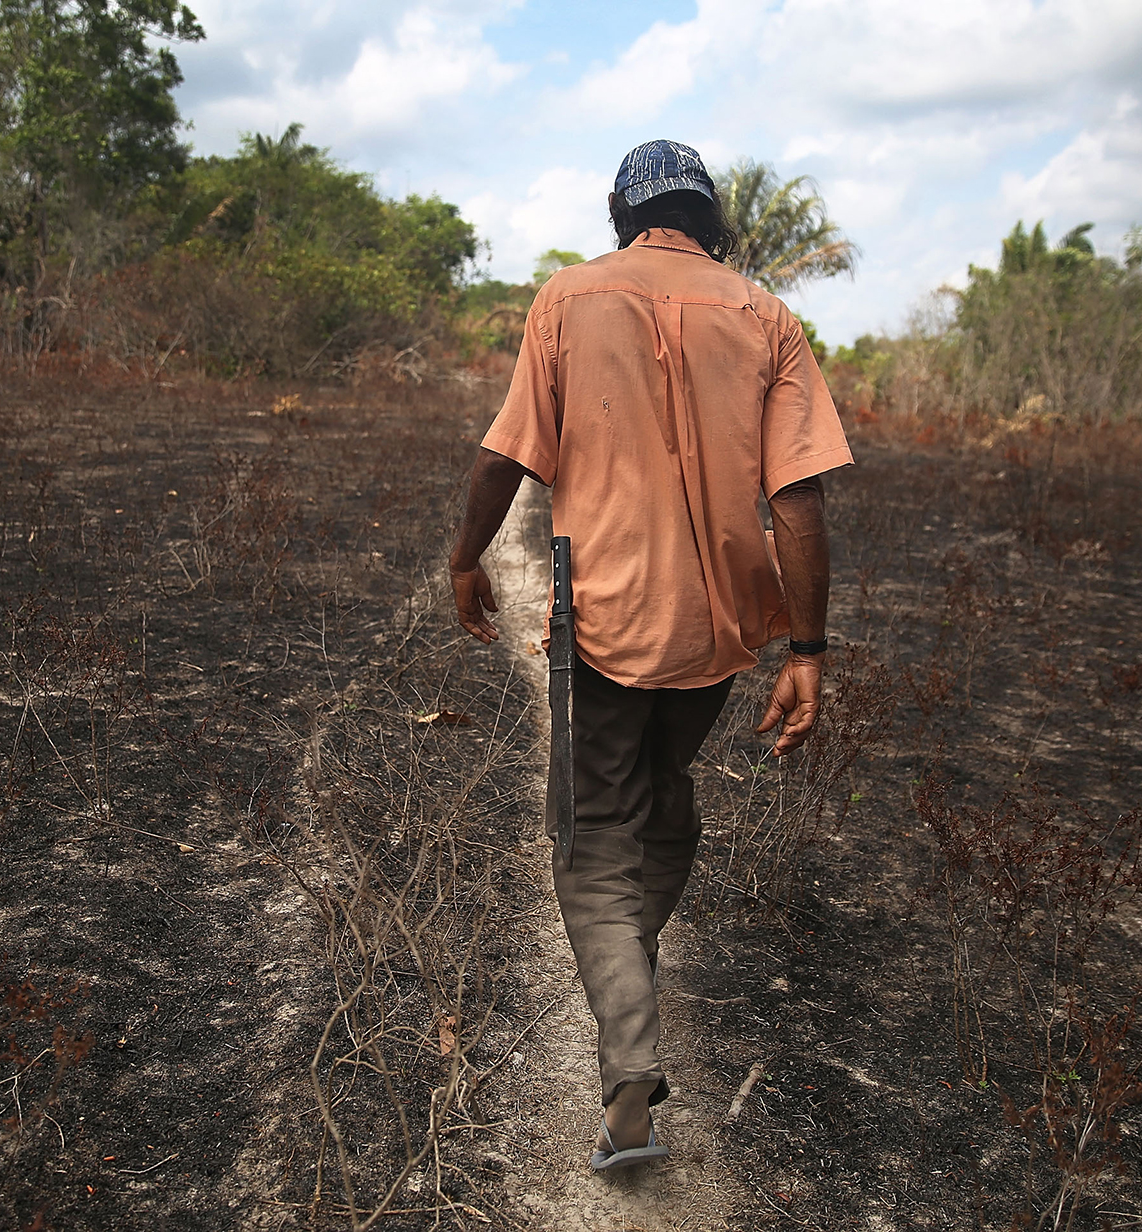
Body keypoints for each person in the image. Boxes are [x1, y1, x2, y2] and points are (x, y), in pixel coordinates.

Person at [446, 139, 852, 1170]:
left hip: (606, 621)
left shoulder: (568, 300)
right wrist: (807, 649)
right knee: (664, 798)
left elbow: (506, 454)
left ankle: (628, 1060)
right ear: (709, 219)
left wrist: (463, 558)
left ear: (623, 214)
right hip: (717, 636)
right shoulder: (765, 316)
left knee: (592, 839)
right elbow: (798, 498)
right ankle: (628, 956)